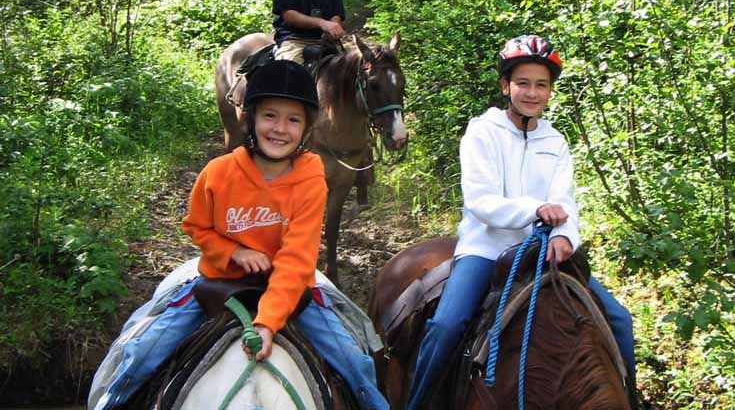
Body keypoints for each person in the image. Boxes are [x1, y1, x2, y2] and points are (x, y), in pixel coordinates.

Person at [91, 61, 388, 410]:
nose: (280, 129)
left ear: (307, 128)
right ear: (251, 118)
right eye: (270, 116)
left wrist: (266, 324)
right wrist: (233, 251)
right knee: (142, 354)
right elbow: (197, 226)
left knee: (356, 365)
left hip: (290, 290)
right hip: (220, 284)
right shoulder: (218, 173)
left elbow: (296, 260)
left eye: (293, 119)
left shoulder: (310, 179)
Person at [405, 35, 637, 409]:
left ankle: (628, 399)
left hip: (543, 251)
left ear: (549, 91)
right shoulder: (482, 132)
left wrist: (564, 236)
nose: (532, 93)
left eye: (541, 85)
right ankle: (418, 403)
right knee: (447, 325)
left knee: (620, 320)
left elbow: (565, 203)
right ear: (505, 86)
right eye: (523, 83)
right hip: (487, 248)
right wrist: (535, 209)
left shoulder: (556, 141)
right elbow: (481, 201)